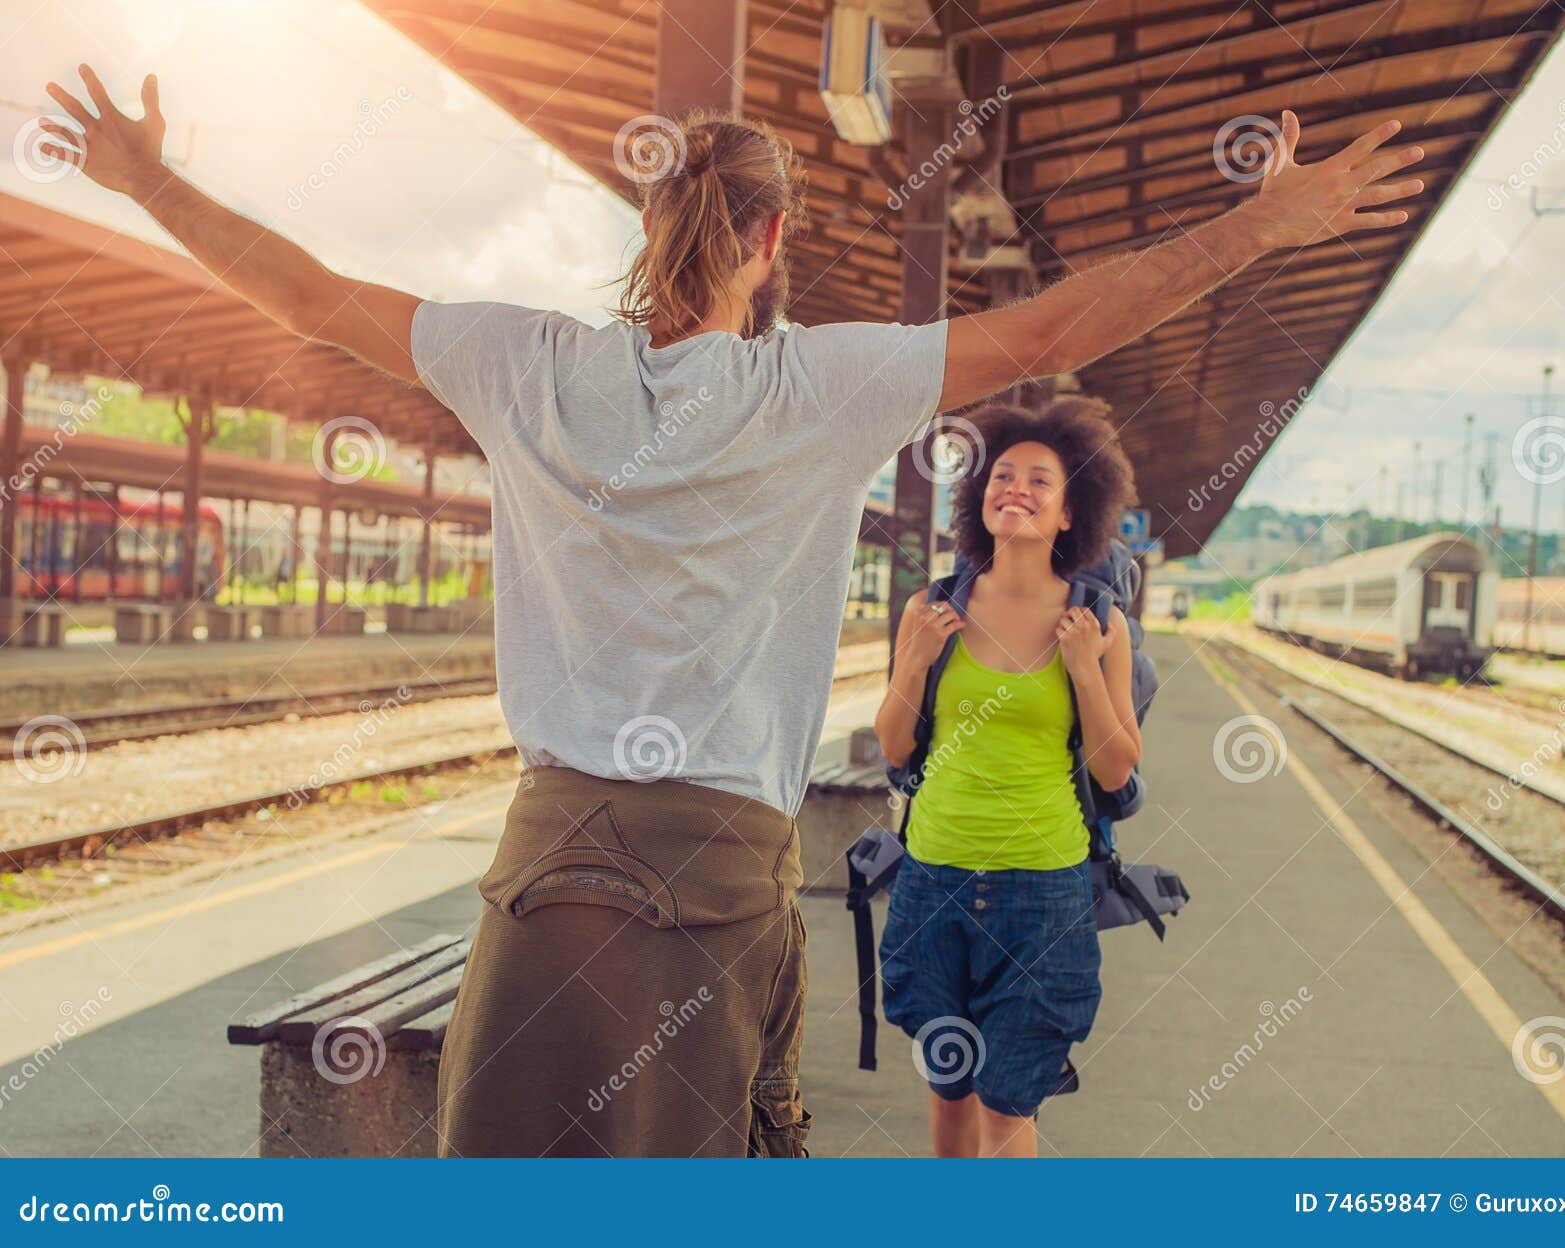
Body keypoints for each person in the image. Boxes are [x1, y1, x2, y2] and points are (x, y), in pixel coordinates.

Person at [38, 64, 1425, 1157]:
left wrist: (144, 174)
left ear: (648, 228)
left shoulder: (516, 360)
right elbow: (1059, 332)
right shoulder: (818, 390)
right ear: (771, 240)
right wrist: (1268, 220)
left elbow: (309, 295)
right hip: (710, 887)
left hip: (542, 872)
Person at [873, 398, 1138, 1157]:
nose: (1014, 489)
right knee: (948, 1088)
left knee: (1008, 1105)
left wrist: (1085, 670)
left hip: (1044, 890)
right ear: (979, 498)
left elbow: (1117, 764)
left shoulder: (1098, 622)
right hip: (934, 880)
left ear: (1068, 514)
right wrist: (916, 662)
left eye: (1039, 481)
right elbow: (895, 746)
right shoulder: (932, 608)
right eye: (1002, 476)